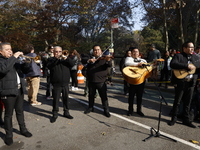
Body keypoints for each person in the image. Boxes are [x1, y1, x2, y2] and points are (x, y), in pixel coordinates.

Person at [0, 42, 32, 146]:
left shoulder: (14, 60)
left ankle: (23, 129)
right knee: (8, 114)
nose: (10, 51)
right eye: (7, 49)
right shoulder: (2, 61)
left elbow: (25, 71)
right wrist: (13, 57)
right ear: (0, 51)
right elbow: (4, 69)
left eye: (11, 49)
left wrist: (26, 63)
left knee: (20, 111)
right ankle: (9, 135)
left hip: (19, 89)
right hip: (8, 90)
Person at [168, 41, 200, 128]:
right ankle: (173, 118)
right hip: (181, 82)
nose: (192, 49)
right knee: (177, 101)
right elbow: (173, 64)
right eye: (190, 47)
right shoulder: (178, 56)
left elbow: (198, 68)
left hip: (191, 83)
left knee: (188, 102)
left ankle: (186, 120)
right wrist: (186, 66)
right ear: (184, 48)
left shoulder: (196, 57)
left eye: (193, 47)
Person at [47, 46, 75, 123]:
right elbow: (50, 66)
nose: (58, 53)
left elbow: (72, 64)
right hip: (56, 84)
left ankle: (66, 112)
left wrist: (67, 58)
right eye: (56, 52)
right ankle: (55, 114)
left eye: (60, 51)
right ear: (53, 52)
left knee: (66, 99)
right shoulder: (51, 59)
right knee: (55, 99)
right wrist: (57, 59)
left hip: (65, 83)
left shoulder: (65, 59)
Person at [84, 45, 112, 117]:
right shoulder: (90, 58)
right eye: (95, 50)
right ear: (93, 52)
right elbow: (83, 61)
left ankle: (106, 110)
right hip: (91, 81)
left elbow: (109, 65)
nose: (97, 51)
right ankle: (90, 107)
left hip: (101, 81)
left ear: (101, 51)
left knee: (103, 97)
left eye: (98, 50)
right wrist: (89, 61)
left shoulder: (104, 58)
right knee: (91, 96)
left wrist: (108, 60)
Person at [124, 47, 147, 116]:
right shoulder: (129, 59)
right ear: (131, 53)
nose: (135, 53)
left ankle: (139, 110)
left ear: (139, 53)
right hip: (132, 81)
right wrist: (137, 64)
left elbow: (146, 67)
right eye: (134, 51)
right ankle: (130, 110)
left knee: (139, 97)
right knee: (131, 97)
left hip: (141, 81)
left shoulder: (143, 60)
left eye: (137, 51)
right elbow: (127, 63)